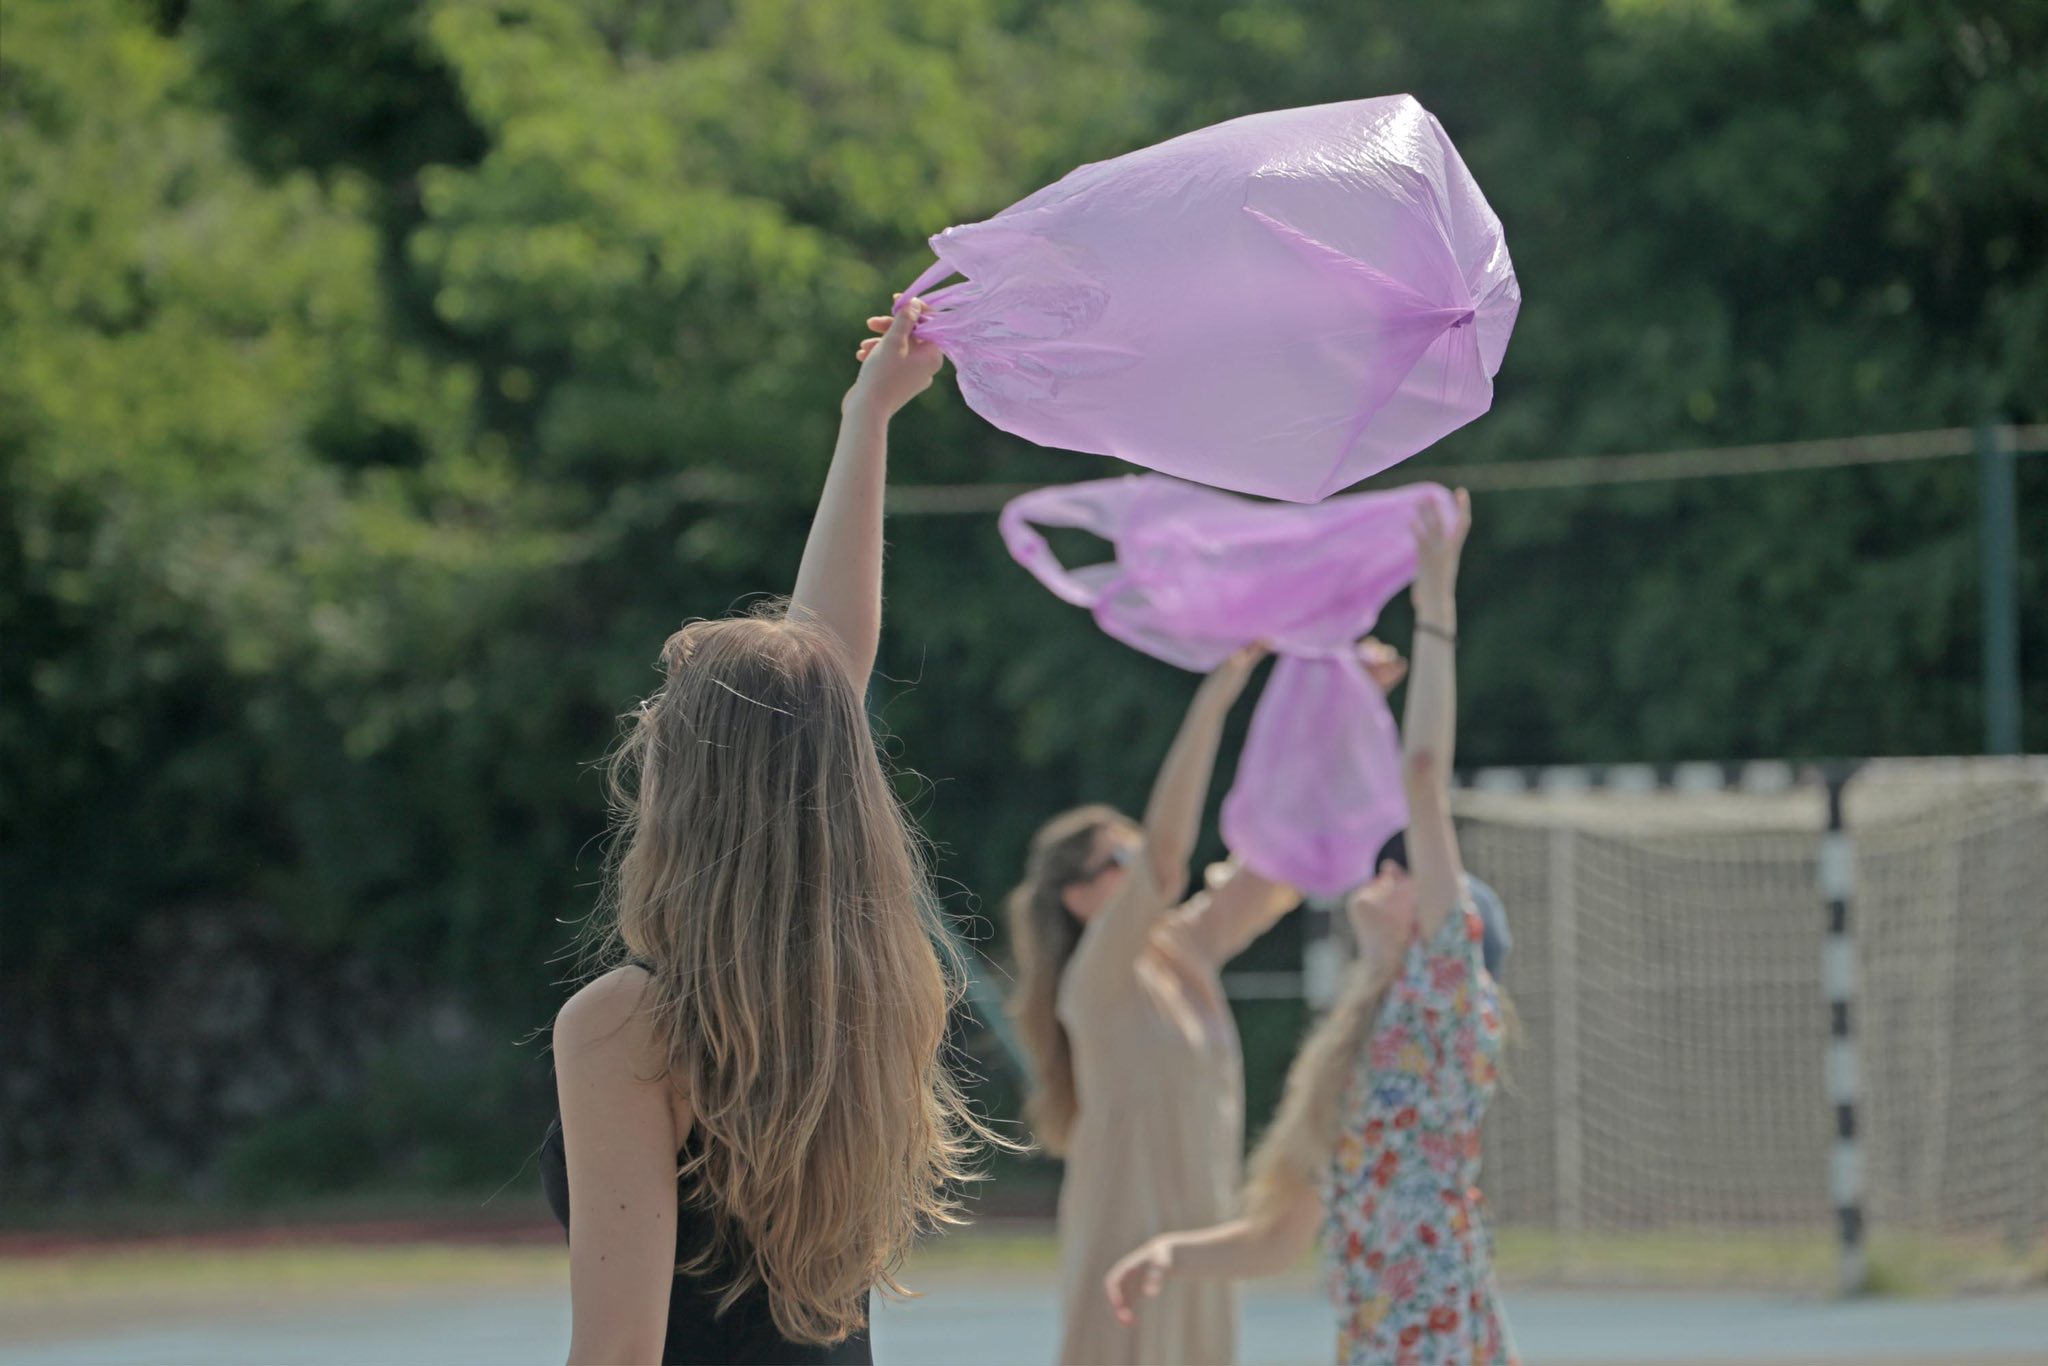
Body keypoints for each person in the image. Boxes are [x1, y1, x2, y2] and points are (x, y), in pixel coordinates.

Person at [539, 300, 992, 1365]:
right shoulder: (858, 997)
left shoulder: (629, 1026)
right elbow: (819, 690)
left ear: (686, 787)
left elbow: (619, 1352)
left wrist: (869, 417)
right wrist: (865, 419)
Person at [1105, 490, 1520, 1366]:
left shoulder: (1446, 1000)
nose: (1389, 872)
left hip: (1440, 1346)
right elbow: (1277, 1240)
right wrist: (1173, 1253)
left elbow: (1421, 773)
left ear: (1449, 931)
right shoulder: (1356, 1051)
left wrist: (1435, 601)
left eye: (1413, 879)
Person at [1009, 641, 1407, 1365]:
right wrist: (1218, 693)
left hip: (1197, 1247)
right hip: (1124, 1245)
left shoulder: (1181, 950)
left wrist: (1353, 713)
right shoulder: (1094, 981)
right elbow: (1166, 860)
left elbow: (1277, 856)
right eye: (1118, 859)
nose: (1138, 864)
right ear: (1078, 896)